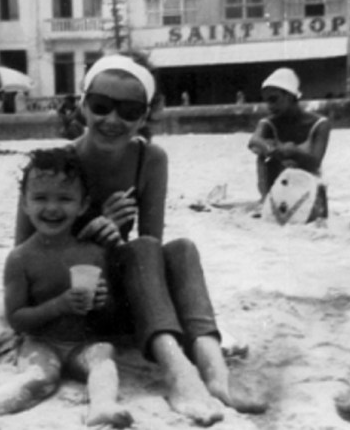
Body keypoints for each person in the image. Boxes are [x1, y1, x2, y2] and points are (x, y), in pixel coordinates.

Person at [15, 53, 268, 426]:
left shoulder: (150, 159)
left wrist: (113, 238)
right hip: (75, 302)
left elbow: (149, 250)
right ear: (83, 105)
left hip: (126, 300)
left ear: (145, 116)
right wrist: (91, 234)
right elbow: (23, 260)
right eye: (101, 106)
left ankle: (215, 372)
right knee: (146, 248)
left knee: (180, 249)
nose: (112, 120)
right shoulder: (55, 164)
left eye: (129, 111)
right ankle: (179, 373)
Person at [0, 147, 133, 430]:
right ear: (25, 204)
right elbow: (17, 319)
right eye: (40, 198)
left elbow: (107, 315)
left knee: (103, 355)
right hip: (40, 341)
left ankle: (102, 407)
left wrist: (102, 302)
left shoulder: (94, 253)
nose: (52, 208)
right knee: (42, 376)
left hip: (82, 343)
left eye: (65, 198)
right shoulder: (20, 258)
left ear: (83, 205)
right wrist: (59, 305)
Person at [247, 68, 331, 205]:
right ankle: (266, 199)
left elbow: (315, 163)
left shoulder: (320, 124)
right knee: (262, 153)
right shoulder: (268, 123)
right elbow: (253, 141)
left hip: (307, 190)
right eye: (267, 101)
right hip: (277, 191)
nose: (269, 106)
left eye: (273, 99)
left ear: (290, 96)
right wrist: (273, 150)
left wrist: (294, 153)